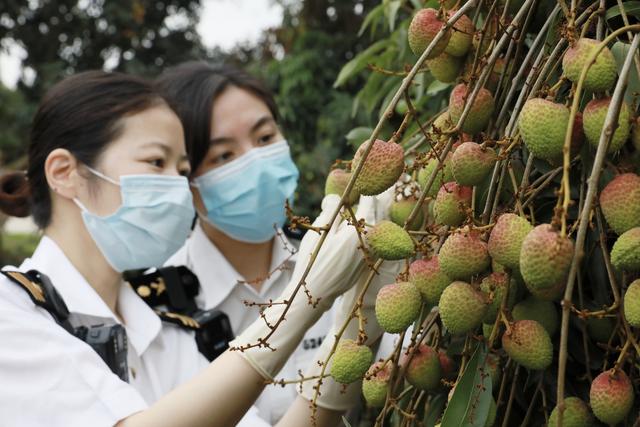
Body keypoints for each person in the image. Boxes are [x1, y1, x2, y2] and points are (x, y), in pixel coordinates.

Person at [0, 70, 384, 427]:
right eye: (156, 162)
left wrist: (356, 324)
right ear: (64, 173)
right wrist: (302, 300)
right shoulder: (10, 310)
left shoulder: (168, 336)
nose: (178, 188)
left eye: (182, 171)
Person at [155, 62, 403, 424]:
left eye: (265, 138)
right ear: (185, 180)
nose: (256, 161)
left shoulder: (343, 253)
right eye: (223, 155)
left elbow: (408, 363)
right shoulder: (157, 309)